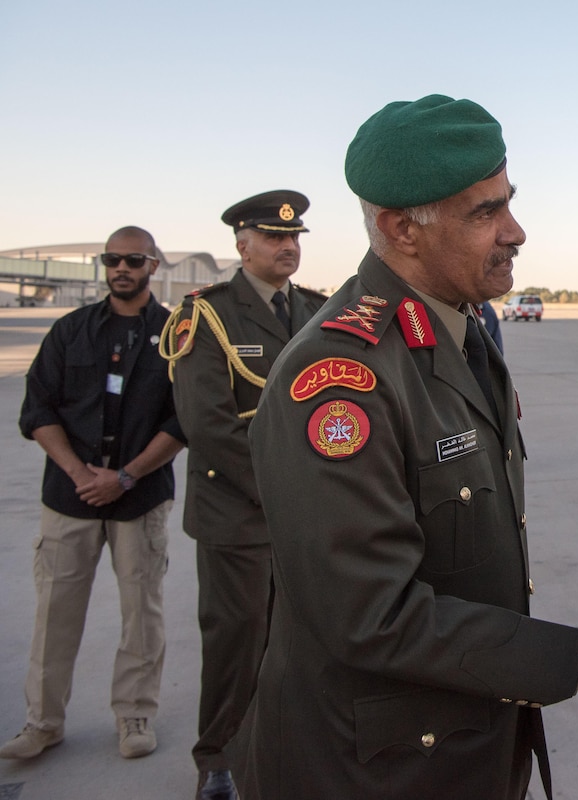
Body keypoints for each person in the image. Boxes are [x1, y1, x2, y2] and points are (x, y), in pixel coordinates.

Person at [232, 95, 578, 800]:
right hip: (374, 771)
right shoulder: (340, 380)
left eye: (509, 203)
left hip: (461, 746)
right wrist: (573, 660)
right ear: (401, 228)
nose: (516, 231)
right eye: (483, 213)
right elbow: (370, 615)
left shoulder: (457, 335)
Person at [160, 190, 327, 800]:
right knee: (237, 639)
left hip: (306, 513)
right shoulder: (204, 314)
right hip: (240, 513)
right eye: (273, 237)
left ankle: (281, 748)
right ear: (241, 244)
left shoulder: (313, 308)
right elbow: (208, 425)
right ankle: (218, 760)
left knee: (301, 637)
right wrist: (286, 492)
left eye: (295, 238)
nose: (288, 246)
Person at [4, 227, 185, 761]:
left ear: (153, 265)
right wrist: (80, 474)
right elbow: (37, 409)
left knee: (141, 613)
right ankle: (43, 722)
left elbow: (184, 418)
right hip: (69, 497)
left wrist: (125, 476)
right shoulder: (70, 331)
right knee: (54, 612)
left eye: (133, 259)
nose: (121, 268)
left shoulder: (176, 335)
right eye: (112, 259)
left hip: (139, 498)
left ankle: (135, 716)